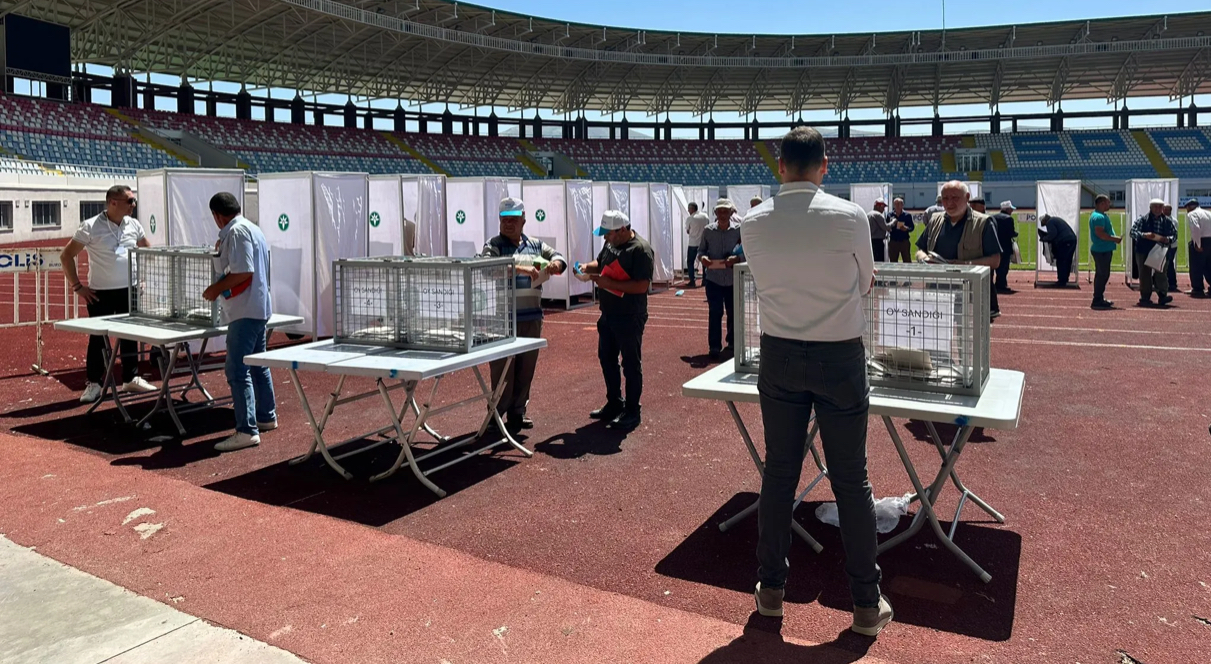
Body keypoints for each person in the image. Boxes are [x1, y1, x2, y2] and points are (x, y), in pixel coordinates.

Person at [741, 126, 892, 637]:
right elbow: (868, 282)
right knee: (852, 480)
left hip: (779, 353)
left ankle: (771, 591)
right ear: (824, 166)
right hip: (839, 355)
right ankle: (866, 604)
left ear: (779, 166)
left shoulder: (753, 221)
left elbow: (762, 282)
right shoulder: (850, 216)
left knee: (779, 473)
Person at [60, 184, 157, 403]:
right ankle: (94, 382)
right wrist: (77, 286)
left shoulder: (134, 224)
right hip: (100, 293)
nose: (134, 205)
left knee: (130, 335)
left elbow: (146, 249)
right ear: (113, 202)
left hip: (129, 290)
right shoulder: (91, 226)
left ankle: (130, 378)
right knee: (98, 338)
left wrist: (141, 277)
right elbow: (66, 256)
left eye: (134, 201)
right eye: (130, 201)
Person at [479, 197, 566, 434]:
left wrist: (556, 265)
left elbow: (558, 256)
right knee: (502, 370)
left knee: (526, 368)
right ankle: (497, 414)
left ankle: (518, 412)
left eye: (513, 220)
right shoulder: (493, 244)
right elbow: (487, 268)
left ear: (523, 220)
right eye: (504, 220)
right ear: (499, 221)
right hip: (503, 320)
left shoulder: (536, 245)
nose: (508, 224)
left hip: (531, 317)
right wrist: (520, 268)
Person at [202, 192, 276, 452]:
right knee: (257, 364)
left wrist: (216, 288)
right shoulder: (252, 229)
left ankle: (246, 430)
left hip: (245, 310)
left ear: (217, 215)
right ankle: (266, 416)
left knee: (237, 369)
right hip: (256, 307)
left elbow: (244, 271)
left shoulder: (237, 232)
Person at [574, 210, 654, 432]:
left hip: (630, 315)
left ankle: (632, 410)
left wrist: (608, 284)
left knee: (630, 363)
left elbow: (641, 286)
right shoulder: (612, 244)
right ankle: (614, 402)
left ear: (622, 230)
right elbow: (599, 263)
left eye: (608, 234)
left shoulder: (640, 250)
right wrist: (583, 268)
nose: (605, 238)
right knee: (606, 357)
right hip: (608, 313)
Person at [916, 181, 1003, 320]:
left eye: (955, 198)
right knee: (937, 336)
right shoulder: (935, 220)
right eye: (945, 198)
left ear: (967, 197)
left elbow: (995, 260)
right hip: (938, 293)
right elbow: (920, 249)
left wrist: (965, 265)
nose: (949, 202)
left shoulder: (984, 223)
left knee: (970, 338)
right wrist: (924, 259)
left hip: (971, 296)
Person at [699, 199, 743, 360]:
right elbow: (701, 251)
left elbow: (747, 252)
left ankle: (732, 342)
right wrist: (703, 259)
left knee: (733, 312)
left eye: (726, 211)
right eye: (720, 211)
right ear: (715, 213)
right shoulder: (708, 231)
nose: (723, 215)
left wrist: (737, 259)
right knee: (715, 312)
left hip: (733, 278)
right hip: (713, 279)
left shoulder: (739, 230)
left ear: (731, 213)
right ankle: (714, 346)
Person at [1130, 199, 1177, 307]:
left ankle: (1162, 295)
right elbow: (1132, 232)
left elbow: (1174, 235)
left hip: (1160, 250)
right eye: (1155, 207)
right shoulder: (1142, 219)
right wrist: (1144, 235)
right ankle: (1145, 297)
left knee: (1161, 272)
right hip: (1144, 249)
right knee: (1144, 274)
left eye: (1160, 207)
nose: (1158, 209)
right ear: (1150, 208)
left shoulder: (1167, 221)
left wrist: (1168, 239)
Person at [1088, 195, 1122, 310]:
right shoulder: (1099, 217)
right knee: (1102, 275)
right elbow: (1100, 234)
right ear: (1102, 204)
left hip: (1103, 249)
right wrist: (1114, 239)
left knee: (1102, 275)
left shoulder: (1100, 216)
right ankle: (1097, 299)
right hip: (1101, 249)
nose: (1109, 205)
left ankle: (1099, 297)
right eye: (1107, 203)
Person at [1038, 214, 1078, 287]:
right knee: (1067, 260)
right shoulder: (1054, 220)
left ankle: (1061, 280)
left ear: (1044, 220)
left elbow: (1053, 234)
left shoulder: (1050, 222)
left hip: (1065, 241)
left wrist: (1044, 238)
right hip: (1072, 239)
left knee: (1061, 261)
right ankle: (1065, 279)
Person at [1185, 198, 1211, 298]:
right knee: (1209, 265)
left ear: (1190, 207)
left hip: (1201, 240)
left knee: (1196, 266)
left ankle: (1197, 288)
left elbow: (1195, 228)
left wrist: (1198, 244)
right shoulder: (1208, 213)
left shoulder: (1192, 214)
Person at [992, 201, 1019, 294]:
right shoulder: (1008, 219)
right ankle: (1001, 284)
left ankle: (993, 285)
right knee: (1003, 267)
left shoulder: (993, 217)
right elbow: (1011, 233)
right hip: (1005, 246)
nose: (1012, 211)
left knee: (994, 266)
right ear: (1007, 209)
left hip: (994, 246)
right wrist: (1016, 234)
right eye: (1011, 209)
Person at [684, 202, 709, 288]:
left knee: (690, 262)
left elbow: (687, 231)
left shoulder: (690, 218)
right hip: (703, 243)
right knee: (704, 262)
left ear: (692, 209)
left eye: (689, 208)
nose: (688, 210)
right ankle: (705, 280)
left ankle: (692, 280)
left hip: (693, 243)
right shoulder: (705, 216)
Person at [885, 198, 915, 263]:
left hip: (904, 241)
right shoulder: (890, 215)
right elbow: (886, 226)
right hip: (893, 241)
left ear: (902, 205)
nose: (897, 206)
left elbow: (912, 227)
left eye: (899, 204)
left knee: (907, 261)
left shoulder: (907, 215)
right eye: (896, 204)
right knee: (893, 261)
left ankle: (908, 273)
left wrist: (906, 228)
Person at [1163, 204, 1181, 293]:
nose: (1165, 211)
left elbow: (1172, 233)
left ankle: (1172, 283)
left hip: (1171, 245)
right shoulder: (1162, 219)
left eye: (1167, 210)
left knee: (1169, 264)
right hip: (1164, 245)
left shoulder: (1173, 221)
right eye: (1164, 209)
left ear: (1170, 210)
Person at [867, 197, 889, 262]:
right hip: (878, 241)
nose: (883, 209)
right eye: (883, 207)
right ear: (879, 206)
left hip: (870, 240)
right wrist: (893, 222)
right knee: (879, 260)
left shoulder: (868, 214)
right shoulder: (878, 215)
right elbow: (886, 227)